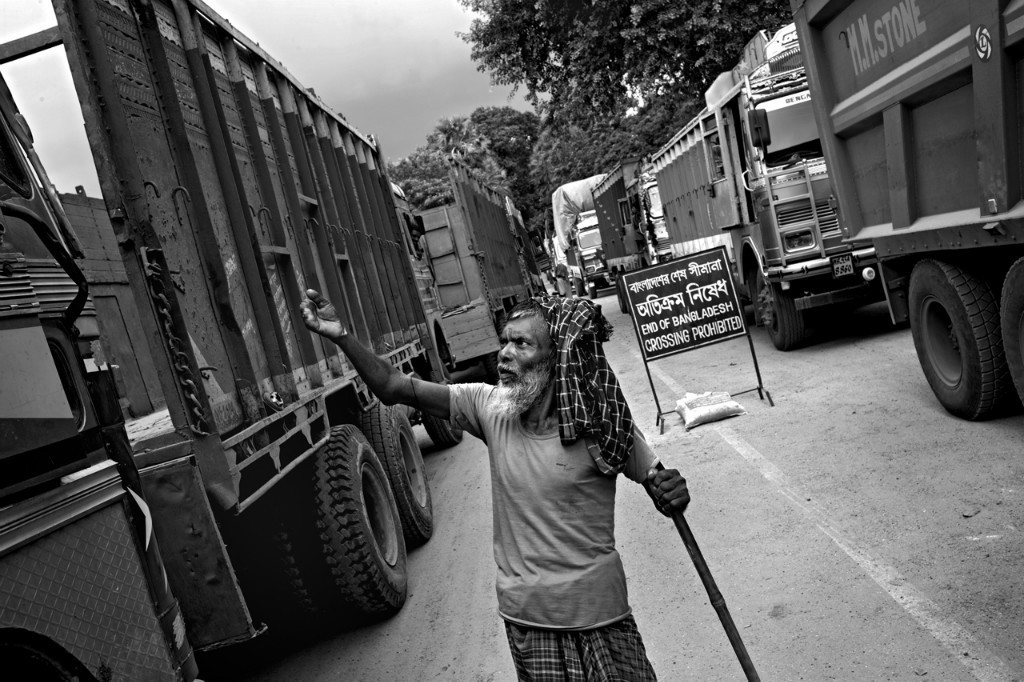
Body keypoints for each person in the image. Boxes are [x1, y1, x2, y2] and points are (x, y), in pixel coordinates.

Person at [300, 289, 690, 681]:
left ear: (558, 358)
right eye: (505, 340)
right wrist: (342, 335)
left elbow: (659, 483)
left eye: (521, 343)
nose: (504, 353)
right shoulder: (490, 408)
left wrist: (671, 491)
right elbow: (393, 386)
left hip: (601, 615)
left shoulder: (603, 424)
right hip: (528, 620)